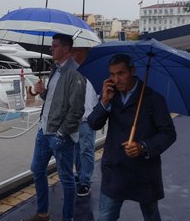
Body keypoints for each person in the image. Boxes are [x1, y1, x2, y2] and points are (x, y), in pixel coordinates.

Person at [87, 54, 176, 221]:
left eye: (121, 73)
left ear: (132, 71)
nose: (116, 79)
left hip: (144, 170)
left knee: (151, 214)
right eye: (112, 75)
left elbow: (169, 133)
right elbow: (93, 124)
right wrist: (104, 102)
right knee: (106, 216)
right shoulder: (111, 96)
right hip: (115, 168)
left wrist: (143, 146)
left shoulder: (153, 99)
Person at [22, 33, 86, 221]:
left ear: (66, 49)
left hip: (60, 135)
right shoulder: (55, 69)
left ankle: (68, 218)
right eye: (51, 45)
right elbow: (53, 100)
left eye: (55, 46)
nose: (51, 49)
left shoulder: (76, 73)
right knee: (37, 169)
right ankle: (43, 213)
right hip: (44, 131)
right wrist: (43, 93)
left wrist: (61, 133)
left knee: (66, 178)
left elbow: (76, 110)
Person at [71, 47, 98, 197]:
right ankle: (80, 175)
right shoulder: (74, 72)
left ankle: (86, 181)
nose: (73, 53)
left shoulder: (94, 73)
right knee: (77, 150)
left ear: (84, 53)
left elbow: (98, 95)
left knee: (86, 150)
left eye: (76, 51)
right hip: (75, 119)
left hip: (88, 118)